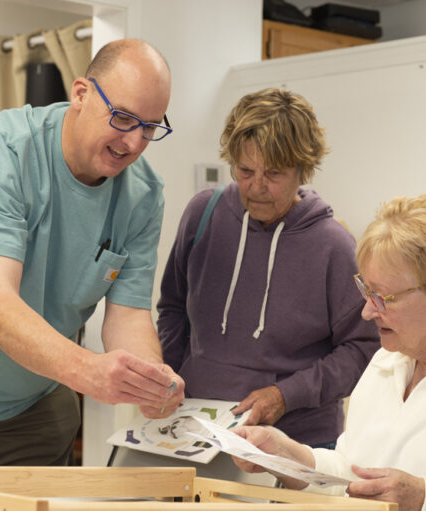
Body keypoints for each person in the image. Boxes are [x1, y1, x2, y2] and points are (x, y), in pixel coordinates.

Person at [0, 38, 185, 467]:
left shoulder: (143, 196)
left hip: (31, 395)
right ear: (80, 94)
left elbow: (128, 314)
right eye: (123, 118)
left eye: (151, 127)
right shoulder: (2, 152)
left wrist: (149, 382)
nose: (135, 143)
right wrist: (88, 372)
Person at [232, 194, 426, 510]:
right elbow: (353, 476)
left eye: (383, 297)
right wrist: (288, 456)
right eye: (366, 291)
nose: (367, 312)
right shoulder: (390, 358)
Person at [157, 88, 380, 449]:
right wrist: (174, 375)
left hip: (297, 443)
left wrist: (285, 394)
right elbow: (171, 309)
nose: (256, 187)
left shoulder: (334, 246)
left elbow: (363, 349)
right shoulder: (203, 214)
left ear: (302, 171)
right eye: (246, 170)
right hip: (197, 434)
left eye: (273, 174)